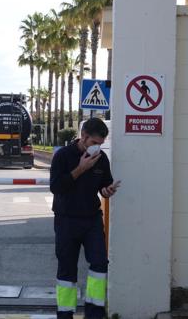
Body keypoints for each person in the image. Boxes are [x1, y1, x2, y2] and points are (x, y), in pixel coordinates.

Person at [50, 118, 120, 319]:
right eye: (93, 143)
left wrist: (108, 191)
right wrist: (80, 168)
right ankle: (65, 314)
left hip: (92, 221)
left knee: (99, 263)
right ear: (83, 137)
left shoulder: (102, 158)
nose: (97, 147)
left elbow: (104, 186)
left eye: (100, 143)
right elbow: (56, 187)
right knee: (67, 271)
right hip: (66, 221)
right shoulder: (63, 156)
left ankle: (94, 313)